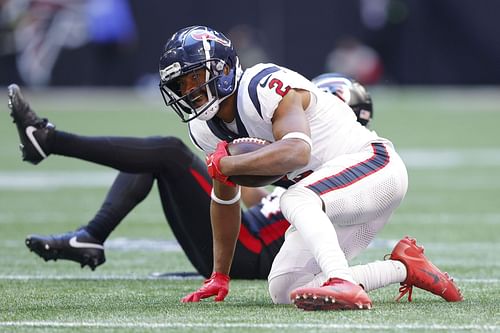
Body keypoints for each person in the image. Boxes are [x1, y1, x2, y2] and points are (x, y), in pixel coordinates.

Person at [7, 25, 462, 310]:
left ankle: (343, 280)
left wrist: (228, 162)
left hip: (373, 167)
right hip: (330, 201)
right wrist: (219, 274)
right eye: (179, 84)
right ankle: (403, 269)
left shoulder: (264, 84)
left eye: (193, 78)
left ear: (222, 68)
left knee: (299, 196)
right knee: (283, 289)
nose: (188, 90)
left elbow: (297, 154)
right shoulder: (206, 130)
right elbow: (223, 194)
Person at [21, 73, 372, 280]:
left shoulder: (349, 174)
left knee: (168, 153)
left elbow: (317, 234)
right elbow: (262, 198)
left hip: (251, 252)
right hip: (241, 239)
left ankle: (51, 141)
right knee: (158, 156)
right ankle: (91, 236)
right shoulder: (313, 167)